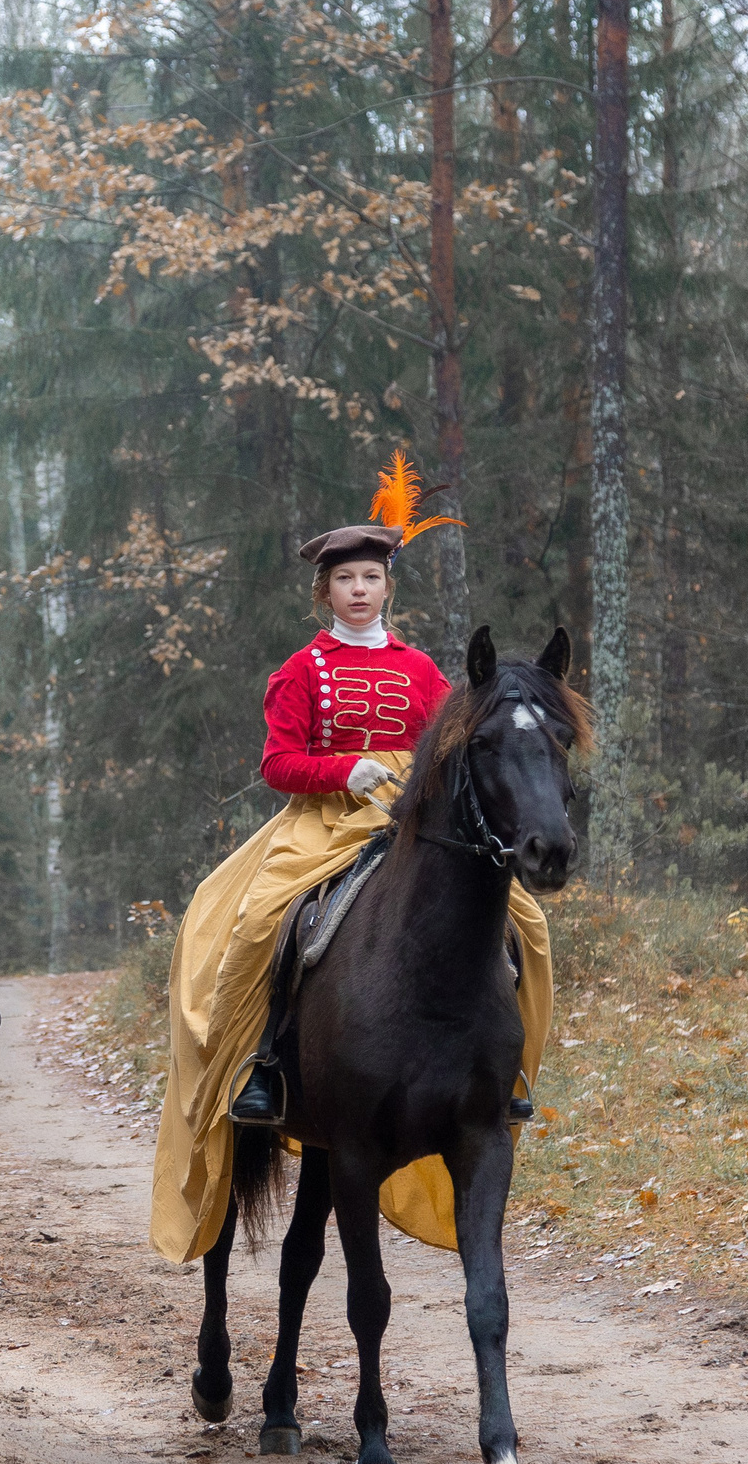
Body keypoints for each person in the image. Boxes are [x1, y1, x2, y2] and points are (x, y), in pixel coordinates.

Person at [147, 455, 555, 1256]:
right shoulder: (301, 671)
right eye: (347, 580)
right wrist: (345, 769)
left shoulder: (421, 671)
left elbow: (458, 751)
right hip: (321, 823)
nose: (360, 590)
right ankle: (258, 1067)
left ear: (388, 587)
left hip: (409, 824)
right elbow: (277, 764)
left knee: (528, 926)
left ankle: (507, 1079)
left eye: (372, 576)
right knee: (261, 920)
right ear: (324, 591)